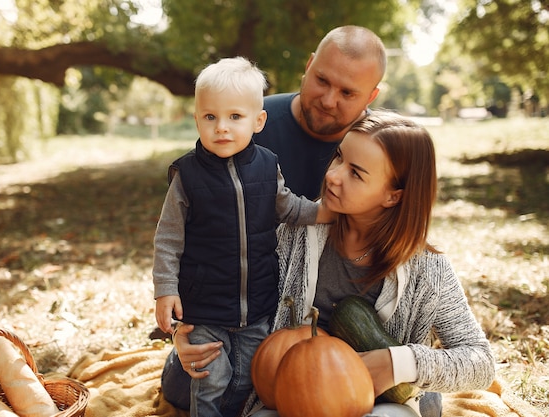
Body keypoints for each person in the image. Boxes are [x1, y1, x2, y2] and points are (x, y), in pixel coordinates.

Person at [163, 111, 496, 417]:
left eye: (356, 173)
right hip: (289, 392)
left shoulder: (427, 267)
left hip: (374, 402)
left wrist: (399, 362)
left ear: (393, 195)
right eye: (339, 156)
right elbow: (219, 277)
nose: (334, 176)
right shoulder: (292, 232)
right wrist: (183, 332)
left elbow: (481, 362)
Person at [152, 56, 333, 417]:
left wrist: (327, 212)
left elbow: (289, 208)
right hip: (205, 307)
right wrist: (165, 289)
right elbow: (168, 239)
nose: (222, 127)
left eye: (235, 117)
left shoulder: (267, 165)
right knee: (211, 378)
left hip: (258, 304)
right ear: (197, 119)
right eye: (210, 117)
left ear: (258, 121)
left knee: (250, 378)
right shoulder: (187, 175)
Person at [253, 25, 387, 200]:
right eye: (322, 80)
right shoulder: (251, 122)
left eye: (347, 93)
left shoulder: (383, 151)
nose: (328, 102)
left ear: (371, 97)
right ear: (309, 66)